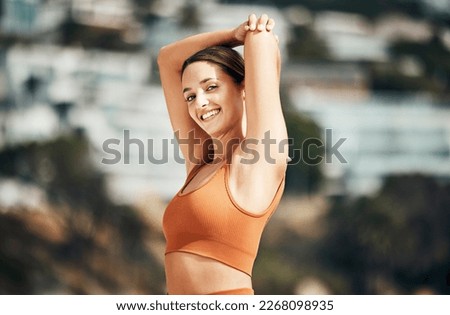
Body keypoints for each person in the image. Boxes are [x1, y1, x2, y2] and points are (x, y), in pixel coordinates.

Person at [157, 13, 288, 295]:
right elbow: (167, 60)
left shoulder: (258, 162)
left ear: (243, 88)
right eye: (190, 96)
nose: (199, 103)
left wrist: (252, 34)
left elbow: (261, 41)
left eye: (211, 87)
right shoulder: (200, 163)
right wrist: (232, 34)